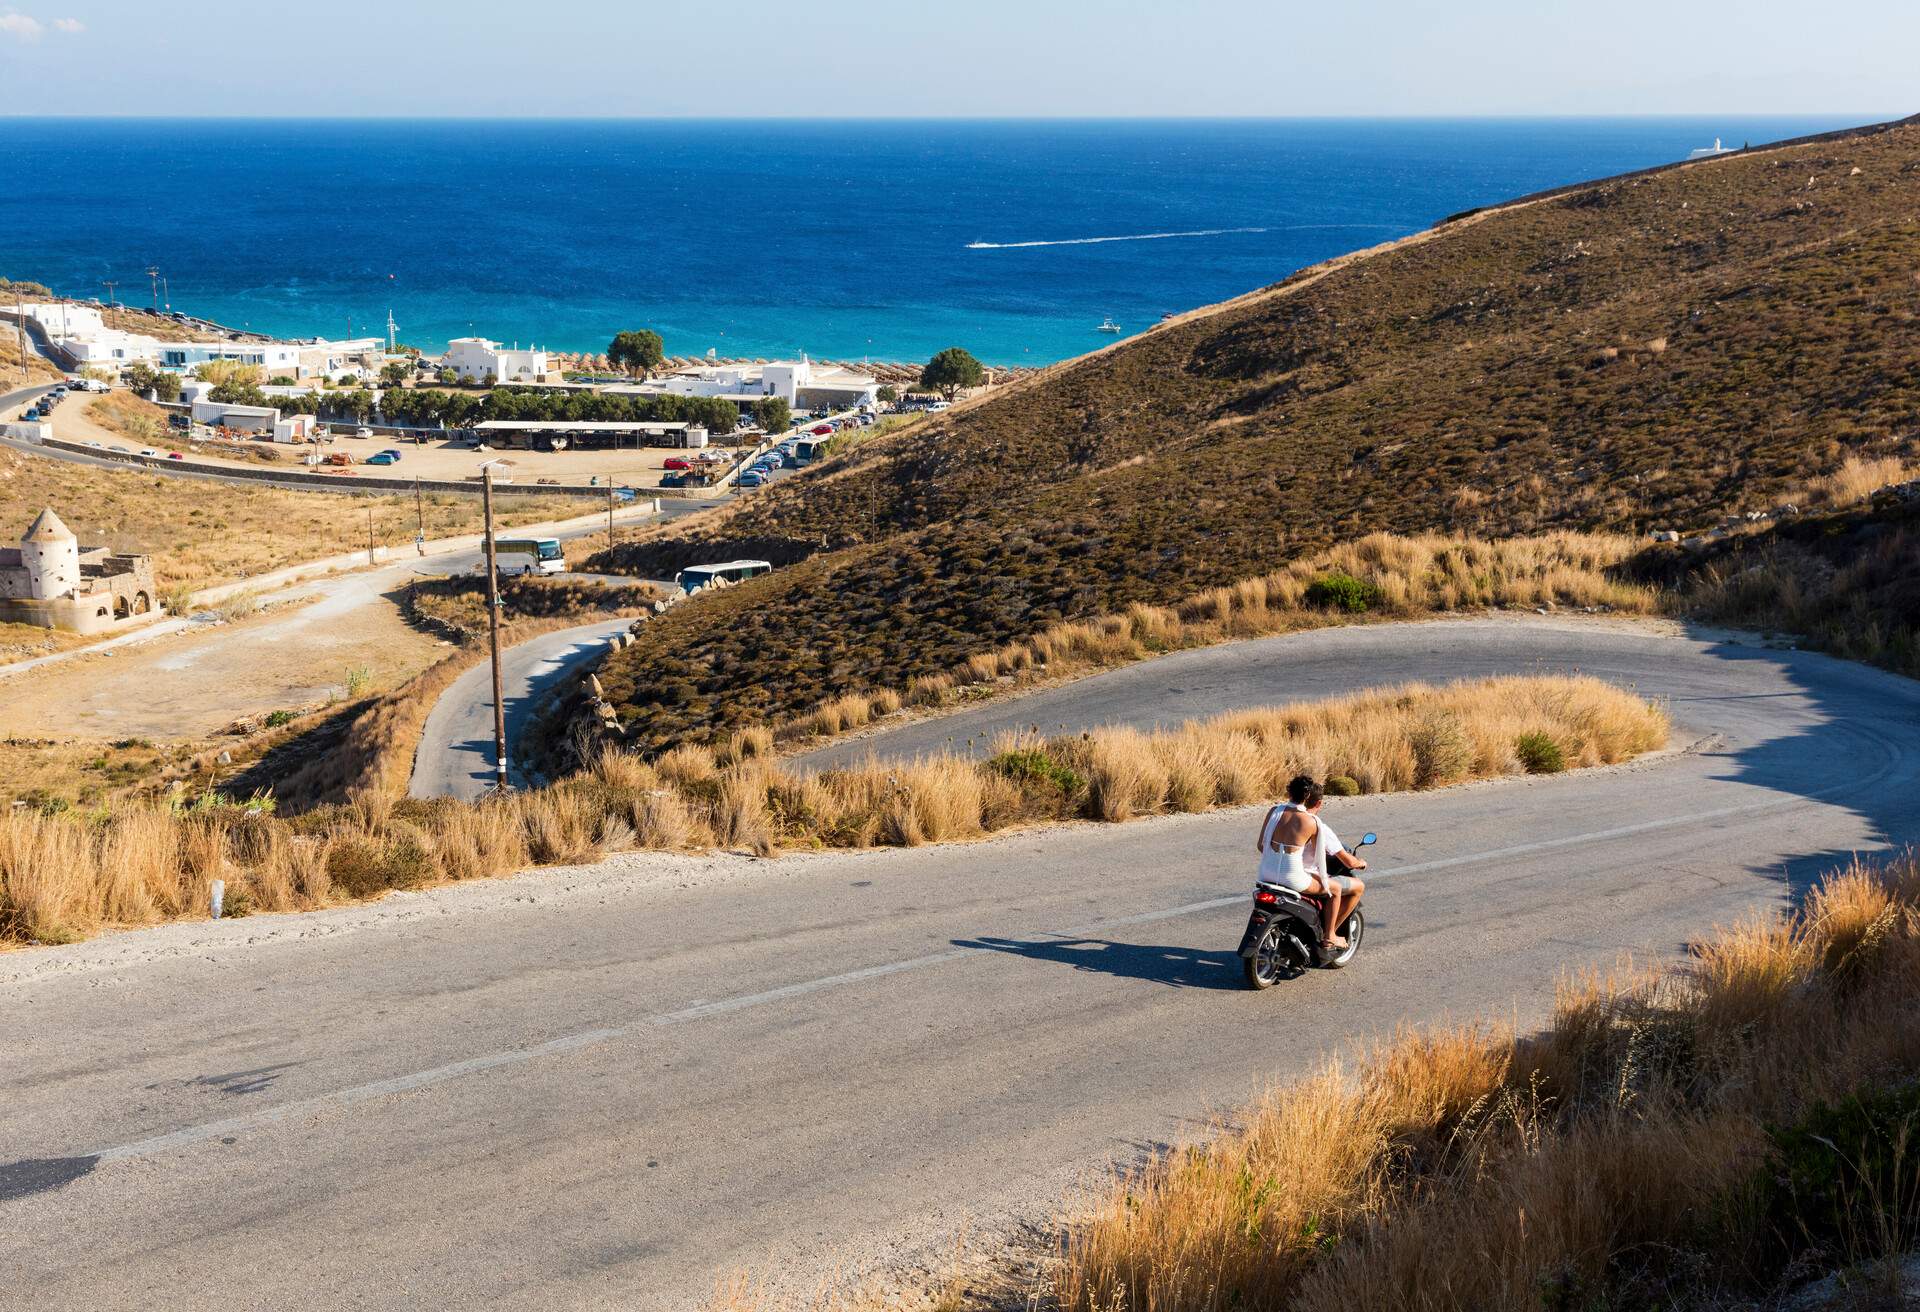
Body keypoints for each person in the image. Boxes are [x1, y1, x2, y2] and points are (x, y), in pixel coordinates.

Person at [1254, 775, 1368, 950]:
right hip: (1293, 878)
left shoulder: (1274, 811)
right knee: (1336, 889)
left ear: (1290, 792)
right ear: (1311, 799)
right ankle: (1330, 936)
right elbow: (1320, 855)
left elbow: (1261, 846)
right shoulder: (1311, 822)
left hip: (1265, 874)